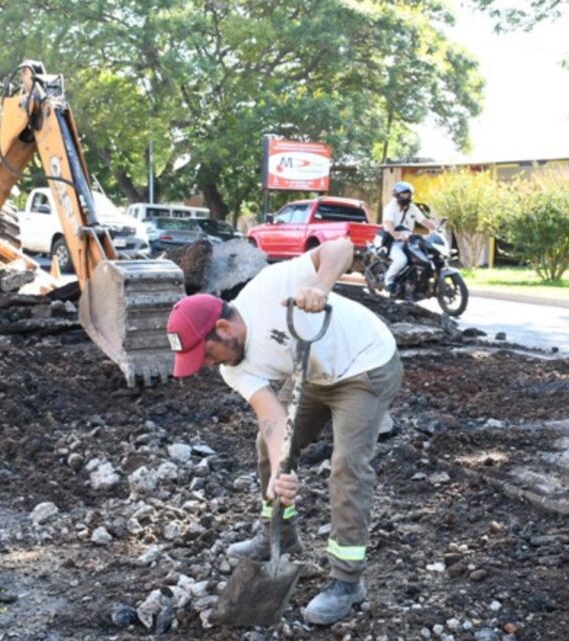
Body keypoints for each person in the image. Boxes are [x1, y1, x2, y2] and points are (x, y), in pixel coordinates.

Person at [165, 237, 402, 625]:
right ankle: (279, 531)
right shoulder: (233, 367)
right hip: (311, 373)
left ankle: (347, 580)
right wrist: (280, 472)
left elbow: (340, 247)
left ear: (223, 328)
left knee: (347, 465)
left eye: (206, 354)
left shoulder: (269, 287)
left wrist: (319, 286)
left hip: (365, 364)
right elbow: (272, 417)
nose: (208, 366)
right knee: (268, 447)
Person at [381, 181, 436, 297]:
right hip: (393, 240)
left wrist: (436, 228)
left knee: (422, 256)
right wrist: (396, 235)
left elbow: (423, 221)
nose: (408, 196)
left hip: (408, 239)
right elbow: (389, 223)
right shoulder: (390, 207)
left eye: (409, 194)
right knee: (401, 260)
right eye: (404, 193)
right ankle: (388, 281)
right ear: (397, 195)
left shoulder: (412, 207)